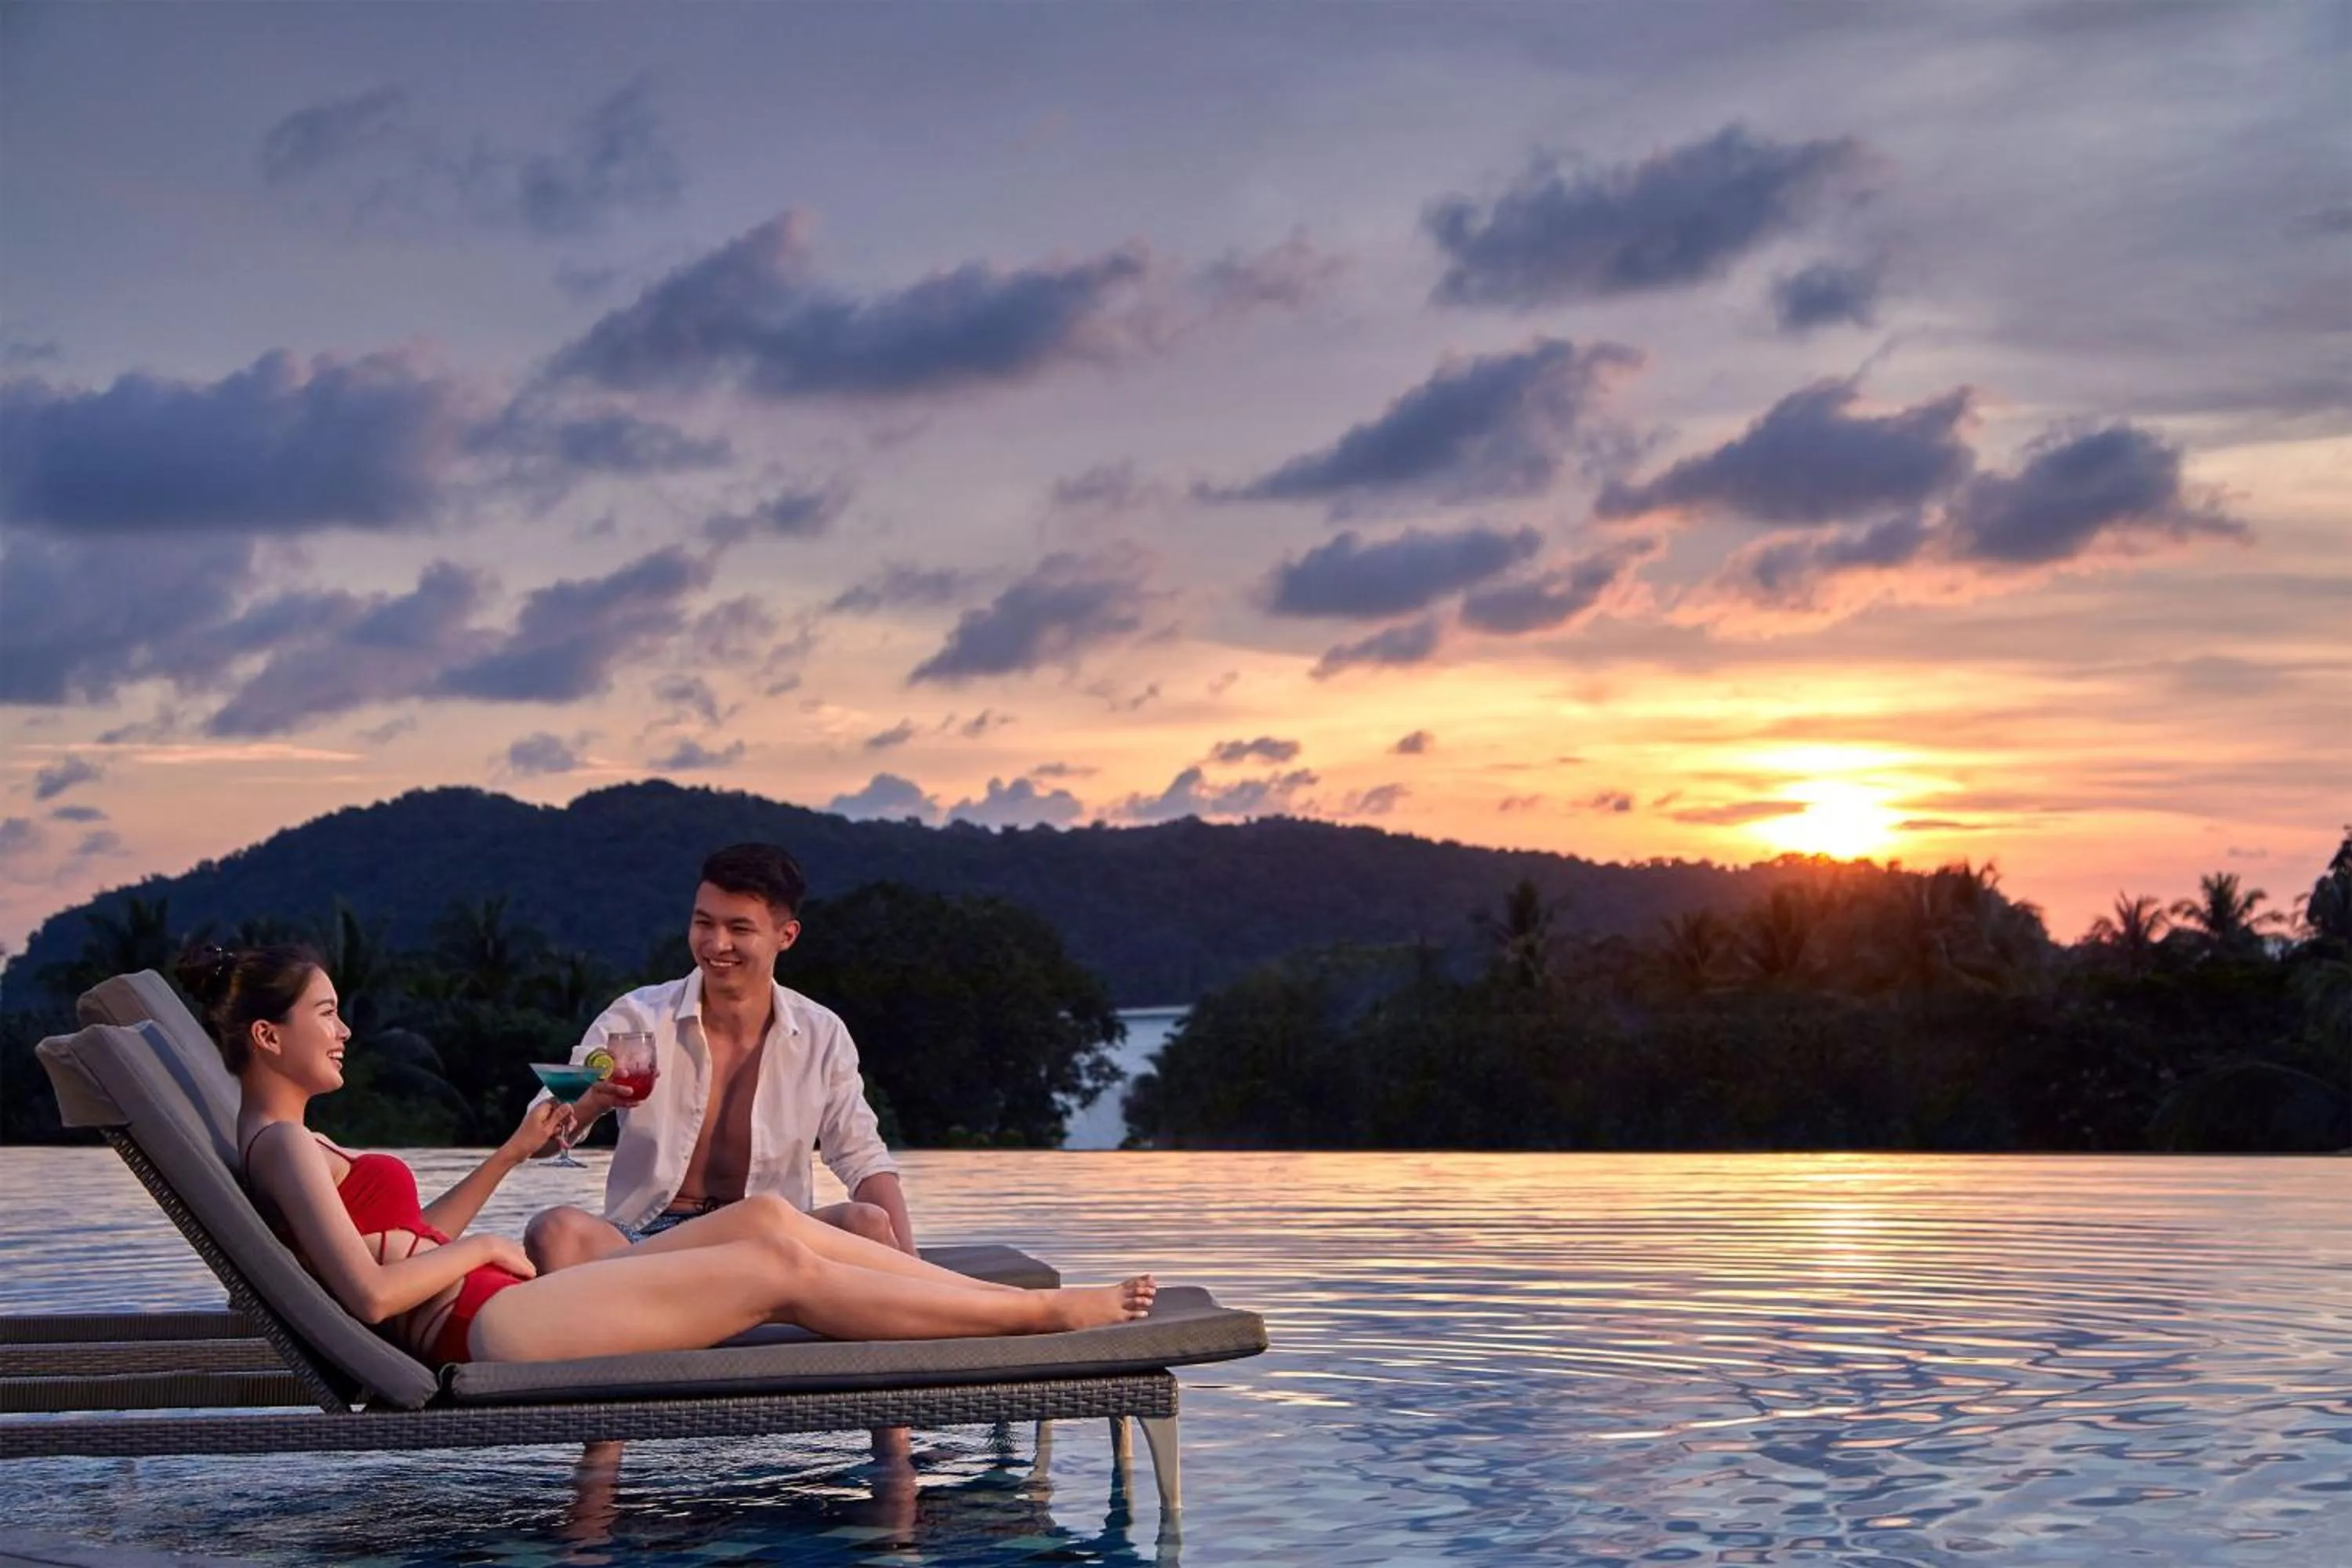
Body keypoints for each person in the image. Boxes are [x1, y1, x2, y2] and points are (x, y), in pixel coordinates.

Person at [179, 941, 1153, 1366]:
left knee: (772, 1216)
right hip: (494, 1331)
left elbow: (404, 1239)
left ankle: (1003, 1310)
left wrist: (514, 1152)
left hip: (502, 1303)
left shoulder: (299, 1140)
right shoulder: (281, 1146)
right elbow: (372, 1297)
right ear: (268, 1037)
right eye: (326, 1013)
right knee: (775, 1264)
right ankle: (1030, 1316)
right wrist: (483, 1255)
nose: (344, 1030)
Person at [523, 843, 913, 1274]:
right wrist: (592, 1101)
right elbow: (535, 1143)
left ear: (786, 936)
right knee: (554, 1231)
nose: (716, 944)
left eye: (739, 929)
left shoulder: (821, 1034)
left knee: (868, 1222)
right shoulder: (636, 1018)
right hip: (647, 1241)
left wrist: (913, 1267)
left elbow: (862, 1159)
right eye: (703, 923)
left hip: (770, 1242)